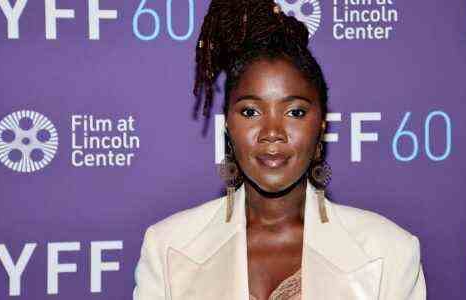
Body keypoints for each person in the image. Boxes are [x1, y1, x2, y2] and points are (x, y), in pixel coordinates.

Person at [133, 1, 426, 299]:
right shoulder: (167, 247)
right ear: (227, 128)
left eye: (295, 113)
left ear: (322, 126)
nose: (272, 133)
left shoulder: (391, 252)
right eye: (250, 112)